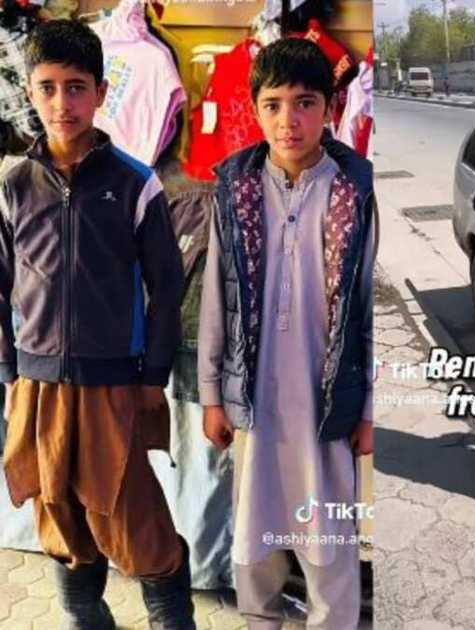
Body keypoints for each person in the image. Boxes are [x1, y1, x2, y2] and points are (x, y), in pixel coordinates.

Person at [0, 19, 192, 629]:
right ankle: (85, 617)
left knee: (137, 524)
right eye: (49, 87)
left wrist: (151, 375)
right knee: (60, 519)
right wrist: (9, 370)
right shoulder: (13, 186)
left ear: (101, 93)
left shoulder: (136, 184)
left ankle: (171, 617)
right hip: (37, 385)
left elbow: (167, 286)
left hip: (115, 384)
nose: (63, 103)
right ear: (30, 91)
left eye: (77, 87)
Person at [197, 38, 375, 628]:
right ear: (254, 108)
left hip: (327, 406)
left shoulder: (354, 189)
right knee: (255, 540)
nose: (288, 120)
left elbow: (368, 306)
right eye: (272, 104)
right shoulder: (235, 189)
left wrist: (368, 407)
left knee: (331, 546)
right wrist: (210, 395)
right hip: (255, 400)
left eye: (304, 103)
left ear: (328, 108)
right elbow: (216, 300)